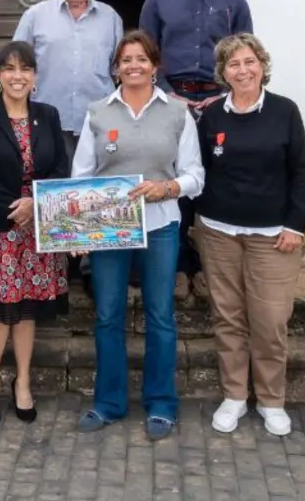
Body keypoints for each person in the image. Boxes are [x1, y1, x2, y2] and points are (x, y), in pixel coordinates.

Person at [71, 29, 205, 442]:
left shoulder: (177, 113)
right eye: (126, 59)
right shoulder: (97, 112)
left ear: (155, 66)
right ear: (117, 68)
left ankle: (161, 403)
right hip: (110, 231)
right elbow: (81, 177)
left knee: (160, 316)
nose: (133, 66)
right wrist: (79, 231)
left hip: (161, 224)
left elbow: (195, 176)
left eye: (141, 59)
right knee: (108, 314)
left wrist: (167, 188)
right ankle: (109, 402)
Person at [193, 33, 305, 437]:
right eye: (233, 64)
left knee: (270, 320)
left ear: (262, 64)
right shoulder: (212, 117)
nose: (242, 70)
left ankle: (272, 400)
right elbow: (199, 170)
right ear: (223, 72)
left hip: (273, 237)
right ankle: (234, 397)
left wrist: (296, 225)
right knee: (228, 318)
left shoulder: (284, 111)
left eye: (249, 62)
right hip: (218, 232)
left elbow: (302, 174)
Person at [139, 0, 254, 302]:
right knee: (175, 183)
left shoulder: (234, 4)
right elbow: (146, 55)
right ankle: (179, 268)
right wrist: (170, 96)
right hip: (173, 101)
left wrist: (224, 95)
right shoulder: (157, 1)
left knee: (216, 181)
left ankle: (208, 267)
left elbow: (244, 56)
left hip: (220, 102)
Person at [0, 41, 71, 425]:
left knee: (27, 310)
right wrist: (17, 207)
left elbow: (60, 166)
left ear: (35, 77)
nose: (17, 76)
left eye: (24, 69)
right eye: (9, 68)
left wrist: (34, 205)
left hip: (37, 230)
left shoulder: (48, 115)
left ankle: (22, 382)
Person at [13, 0, 124, 289]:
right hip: (48, 119)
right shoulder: (36, 16)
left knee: (92, 190)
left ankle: (90, 267)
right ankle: (56, 266)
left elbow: (119, 70)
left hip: (97, 121)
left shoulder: (110, 18)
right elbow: (17, 64)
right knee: (54, 187)